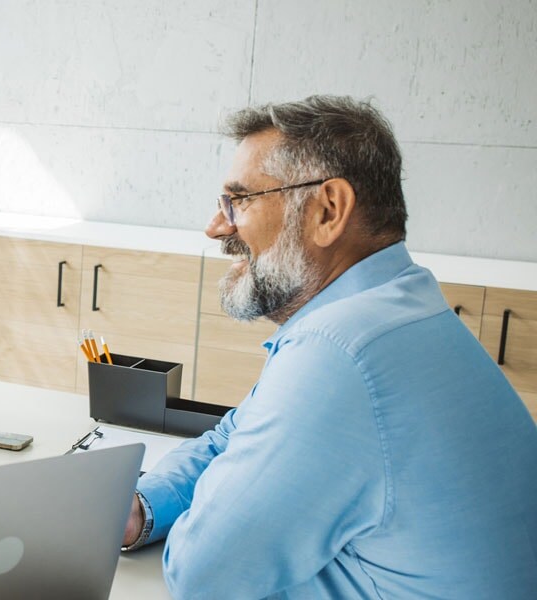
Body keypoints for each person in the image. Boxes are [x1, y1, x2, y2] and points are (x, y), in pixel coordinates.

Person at [121, 96, 537, 598]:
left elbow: (201, 573)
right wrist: (144, 507)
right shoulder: (400, 307)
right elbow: (236, 433)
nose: (218, 226)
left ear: (328, 210)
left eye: (240, 201)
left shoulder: (339, 352)